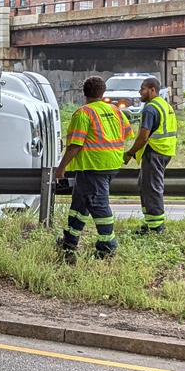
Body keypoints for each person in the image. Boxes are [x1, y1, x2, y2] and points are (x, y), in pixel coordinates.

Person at [55, 76, 132, 261]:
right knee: (79, 204)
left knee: (98, 206)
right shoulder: (116, 110)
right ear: (103, 92)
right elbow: (128, 133)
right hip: (111, 164)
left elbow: (75, 145)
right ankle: (69, 241)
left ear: (84, 92)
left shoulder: (84, 113)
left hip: (93, 166)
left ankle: (107, 247)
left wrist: (61, 167)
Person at [123, 77, 177, 235]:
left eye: (143, 88)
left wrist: (130, 153)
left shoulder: (150, 108)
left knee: (152, 188)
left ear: (152, 90)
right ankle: (151, 223)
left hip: (154, 151)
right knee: (145, 186)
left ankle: (157, 228)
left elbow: (143, 136)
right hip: (165, 151)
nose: (140, 92)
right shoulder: (164, 105)